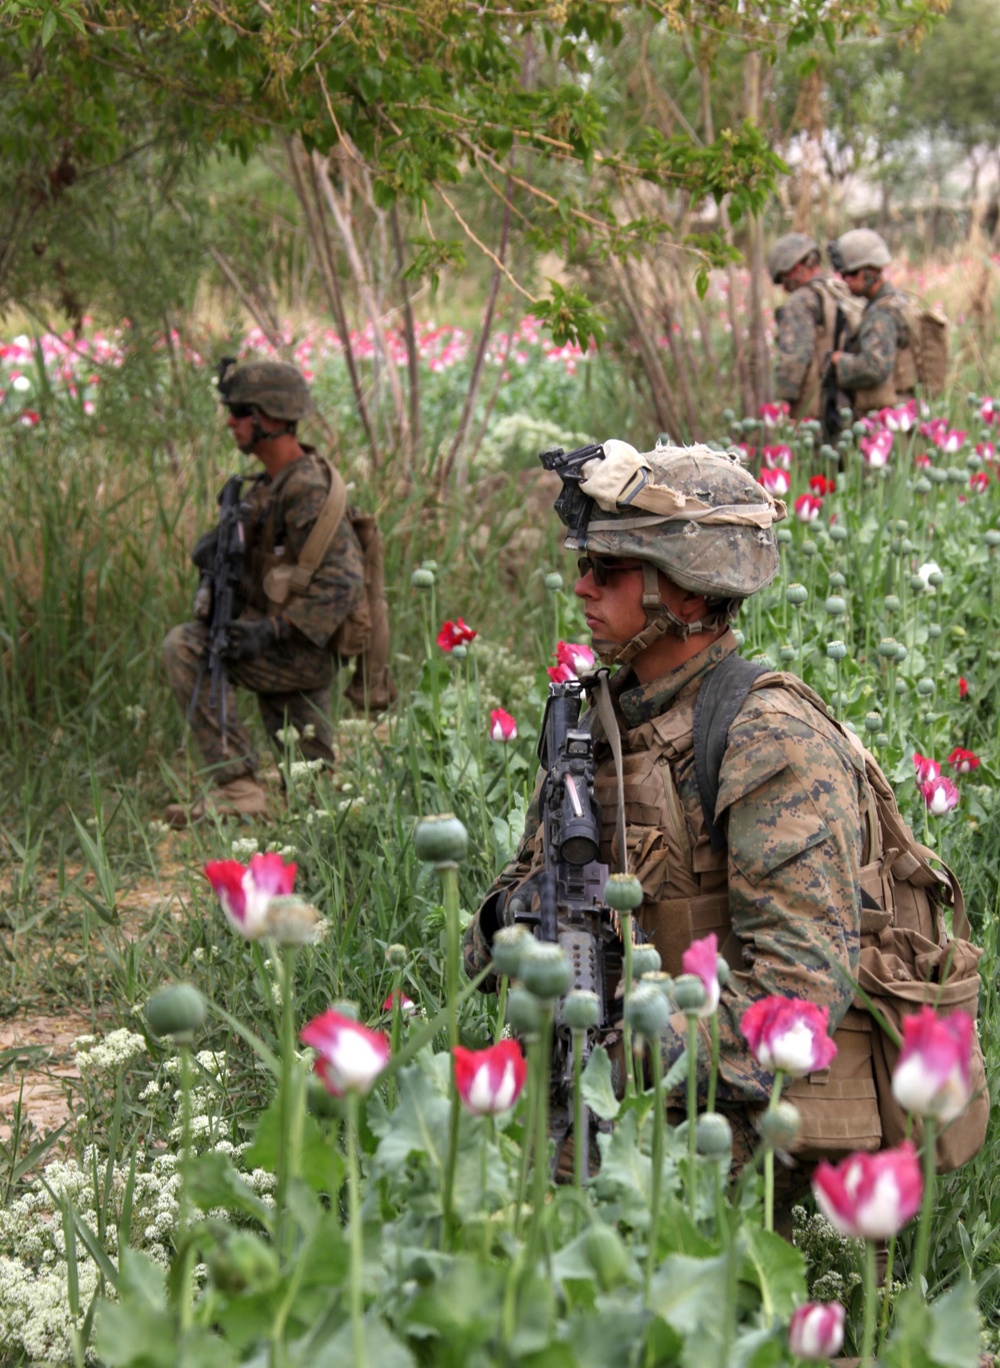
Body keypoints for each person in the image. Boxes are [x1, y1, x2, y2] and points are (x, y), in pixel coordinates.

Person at [466, 442, 883, 1207]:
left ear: (687, 592)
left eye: (608, 569)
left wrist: (622, 1052)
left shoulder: (766, 739)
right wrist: (510, 922)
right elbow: (493, 934)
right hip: (583, 1101)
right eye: (585, 564)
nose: (583, 587)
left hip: (717, 1133)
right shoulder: (596, 723)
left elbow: (799, 999)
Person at [162, 360, 365, 825]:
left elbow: (343, 581)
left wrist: (270, 630)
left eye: (240, 412)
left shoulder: (306, 488)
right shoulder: (269, 486)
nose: (230, 422)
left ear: (270, 417)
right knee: (313, 797)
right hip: (279, 643)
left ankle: (239, 790)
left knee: (186, 647)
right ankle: (244, 789)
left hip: (296, 650)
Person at [828, 229, 916, 415]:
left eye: (852, 273)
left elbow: (874, 367)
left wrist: (838, 361)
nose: (847, 280)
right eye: (843, 275)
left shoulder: (882, 314)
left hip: (889, 416)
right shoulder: (896, 301)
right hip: (900, 410)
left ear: (873, 271)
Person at [768, 233, 845, 422]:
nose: (785, 288)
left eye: (784, 279)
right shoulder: (839, 289)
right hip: (845, 400)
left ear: (796, 268)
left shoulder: (800, 302)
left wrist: (783, 401)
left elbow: (794, 358)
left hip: (817, 407)